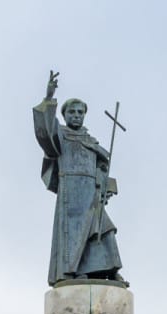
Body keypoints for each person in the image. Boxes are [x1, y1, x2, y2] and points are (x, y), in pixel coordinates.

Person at [33, 72, 124, 285]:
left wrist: (104, 184)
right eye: (72, 112)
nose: (76, 115)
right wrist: (49, 98)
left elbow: (102, 166)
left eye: (80, 112)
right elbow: (45, 133)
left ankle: (108, 269)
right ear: (65, 116)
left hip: (91, 193)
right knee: (73, 237)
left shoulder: (90, 141)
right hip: (71, 192)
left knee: (104, 228)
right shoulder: (61, 135)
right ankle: (72, 271)